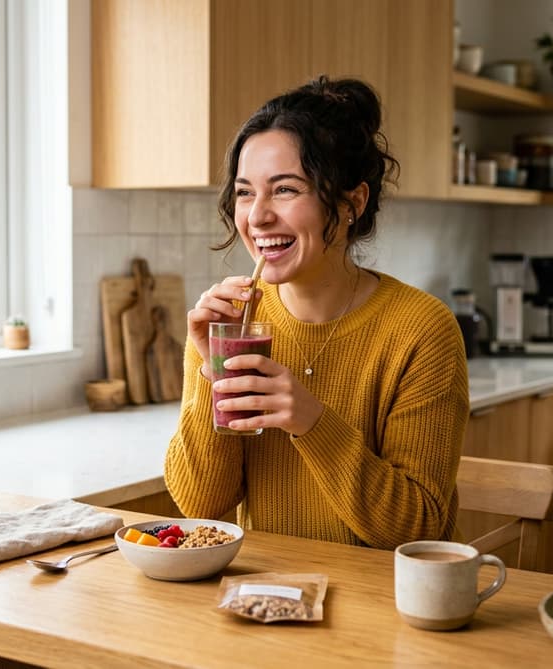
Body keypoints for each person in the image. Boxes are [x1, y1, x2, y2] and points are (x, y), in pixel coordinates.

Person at [164, 76, 469, 550]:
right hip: (262, 600)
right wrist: (210, 371)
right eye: (245, 192)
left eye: (284, 189)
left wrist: (309, 419)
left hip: (382, 610)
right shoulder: (230, 325)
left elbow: (419, 528)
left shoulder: (422, 330)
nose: (257, 216)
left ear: (353, 202)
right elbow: (200, 503)